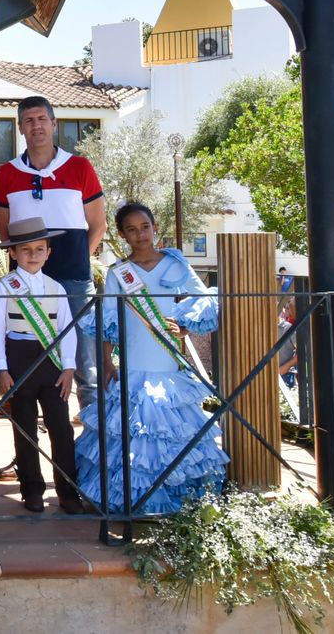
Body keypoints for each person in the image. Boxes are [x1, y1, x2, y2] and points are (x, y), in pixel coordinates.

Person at [75, 202, 227, 514]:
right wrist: (107, 361)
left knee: (168, 429)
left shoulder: (175, 265)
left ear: (155, 228)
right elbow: (108, 319)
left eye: (145, 227)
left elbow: (204, 298)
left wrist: (185, 327)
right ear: (122, 235)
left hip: (166, 362)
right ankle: (131, 497)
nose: (140, 234)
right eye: (131, 230)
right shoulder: (119, 273)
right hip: (132, 364)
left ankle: (174, 498)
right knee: (130, 429)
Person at [0, 96, 107, 409]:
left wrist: (81, 260)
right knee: (26, 354)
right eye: (29, 120)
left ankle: (92, 425)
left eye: (42, 118)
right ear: (20, 127)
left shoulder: (80, 167)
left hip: (73, 279)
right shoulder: (6, 173)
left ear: (54, 123)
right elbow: (5, 230)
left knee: (85, 359)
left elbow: (98, 224)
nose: (36, 126)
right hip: (26, 282)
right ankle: (31, 425)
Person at [0, 217, 83, 514]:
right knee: (24, 427)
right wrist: (1, 368)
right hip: (19, 358)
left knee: (61, 428)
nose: (33, 255)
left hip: (52, 361)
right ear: (13, 253)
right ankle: (32, 490)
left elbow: (67, 329)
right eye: (25, 249)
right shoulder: (5, 287)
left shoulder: (56, 288)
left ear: (48, 252)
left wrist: (68, 367)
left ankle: (68, 492)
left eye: (39, 249)